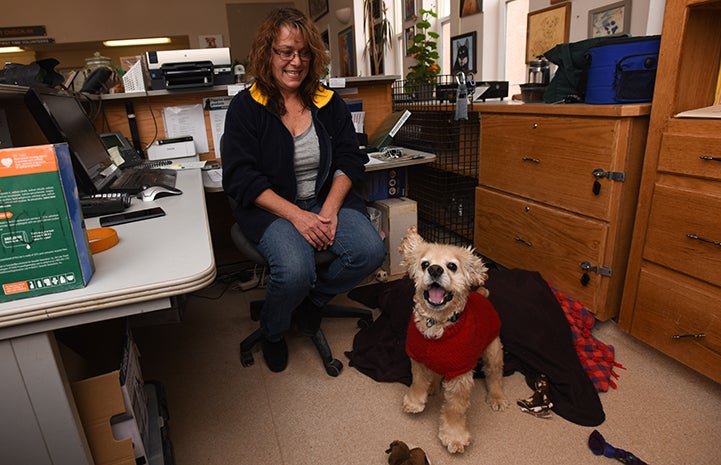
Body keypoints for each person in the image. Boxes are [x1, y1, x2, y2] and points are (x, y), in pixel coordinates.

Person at [221, 7, 386, 373]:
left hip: (323, 200)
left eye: (304, 52)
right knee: (295, 270)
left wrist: (327, 211)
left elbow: (350, 159)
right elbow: (239, 177)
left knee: (370, 250)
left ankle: (313, 303)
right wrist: (298, 216)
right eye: (285, 51)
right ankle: (274, 330)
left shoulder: (327, 102)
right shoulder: (246, 107)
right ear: (268, 54)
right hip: (271, 209)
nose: (296, 61)